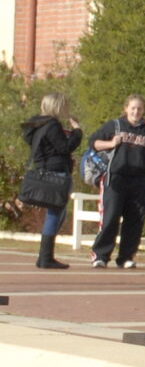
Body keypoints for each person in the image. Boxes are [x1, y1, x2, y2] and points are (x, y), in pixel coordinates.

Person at [89, 94, 145, 268]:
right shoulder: (115, 125)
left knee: (134, 220)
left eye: (140, 109)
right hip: (116, 179)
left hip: (139, 181)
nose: (136, 112)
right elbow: (93, 143)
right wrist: (111, 144)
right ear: (126, 108)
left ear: (144, 110)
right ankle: (100, 255)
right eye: (133, 108)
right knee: (110, 217)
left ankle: (126, 257)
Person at [21, 93, 82, 270]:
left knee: (54, 214)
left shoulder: (35, 124)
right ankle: (46, 257)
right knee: (55, 214)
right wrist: (77, 131)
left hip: (43, 170)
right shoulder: (52, 125)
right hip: (56, 174)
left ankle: (44, 257)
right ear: (57, 107)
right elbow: (65, 148)